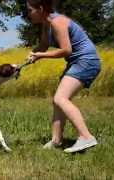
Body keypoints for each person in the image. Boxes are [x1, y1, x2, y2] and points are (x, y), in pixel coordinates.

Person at [26, 0, 101, 153]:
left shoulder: (57, 22)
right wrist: (33, 54)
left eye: (29, 10)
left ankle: (86, 137)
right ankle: (56, 140)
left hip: (86, 61)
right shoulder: (47, 24)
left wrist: (41, 55)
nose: (28, 14)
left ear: (40, 9)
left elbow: (66, 50)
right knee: (58, 100)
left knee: (60, 99)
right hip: (77, 62)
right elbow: (43, 45)